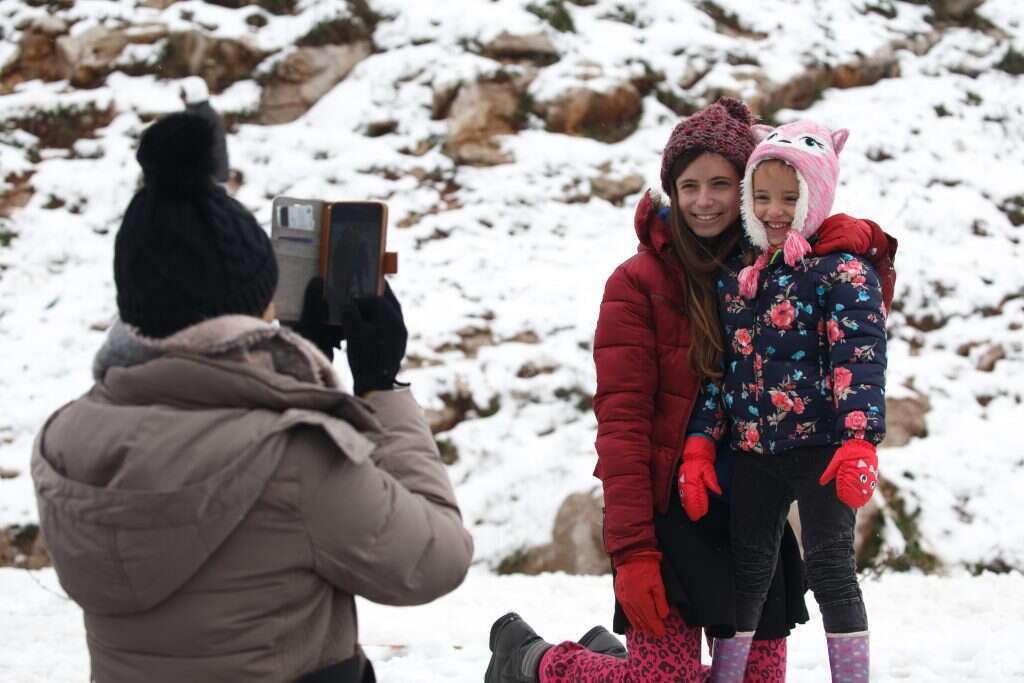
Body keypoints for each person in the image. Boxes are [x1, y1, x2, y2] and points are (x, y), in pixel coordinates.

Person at [30, 112, 474, 683]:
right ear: (246, 315)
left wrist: (285, 377)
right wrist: (379, 385)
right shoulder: (291, 458)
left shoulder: (67, 439)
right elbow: (436, 558)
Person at [485, 99, 896, 683]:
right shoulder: (635, 286)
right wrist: (631, 552)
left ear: (750, 185)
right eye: (688, 185)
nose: (704, 201)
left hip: (754, 510)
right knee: (665, 681)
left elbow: (852, 335)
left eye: (722, 184)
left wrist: (869, 247)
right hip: (671, 519)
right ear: (669, 193)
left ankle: (609, 658)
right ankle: (534, 660)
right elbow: (622, 429)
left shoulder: (779, 261)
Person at [685, 119, 888, 682]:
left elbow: (860, 359)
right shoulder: (739, 279)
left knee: (831, 570)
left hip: (822, 450)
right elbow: (722, 371)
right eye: (763, 197)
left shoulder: (842, 272)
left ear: (816, 197)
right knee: (746, 573)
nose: (775, 211)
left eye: (790, 198)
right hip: (753, 451)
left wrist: (859, 441)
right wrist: (702, 442)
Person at [180, 76, 229, 183]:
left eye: (184, 94)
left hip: (207, 177)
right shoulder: (187, 116)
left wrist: (219, 177)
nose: (181, 98)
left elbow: (218, 148)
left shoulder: (209, 118)